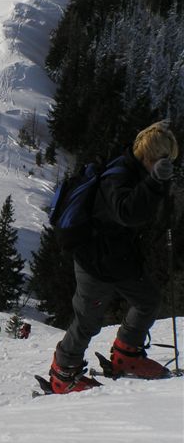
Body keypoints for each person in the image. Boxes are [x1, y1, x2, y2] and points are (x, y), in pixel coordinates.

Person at [49, 121, 179, 394]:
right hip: (95, 260)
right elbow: (127, 213)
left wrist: (156, 184)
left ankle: (127, 354)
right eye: (164, 158)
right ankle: (63, 372)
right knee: (87, 320)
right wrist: (154, 182)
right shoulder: (117, 176)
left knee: (148, 300)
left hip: (119, 258)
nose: (166, 163)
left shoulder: (138, 172)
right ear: (150, 155)